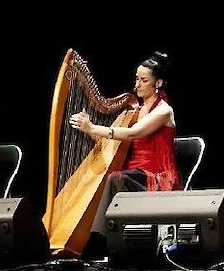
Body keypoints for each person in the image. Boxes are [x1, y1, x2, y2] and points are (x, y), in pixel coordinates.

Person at [69, 51, 182, 258]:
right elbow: (113, 143)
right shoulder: (133, 112)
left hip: (157, 177)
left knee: (116, 179)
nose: (137, 85)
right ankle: (110, 246)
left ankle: (99, 244)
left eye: (144, 80)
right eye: (137, 79)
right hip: (134, 175)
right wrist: (88, 130)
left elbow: (132, 134)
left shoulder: (163, 111)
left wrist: (93, 127)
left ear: (158, 83)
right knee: (115, 179)